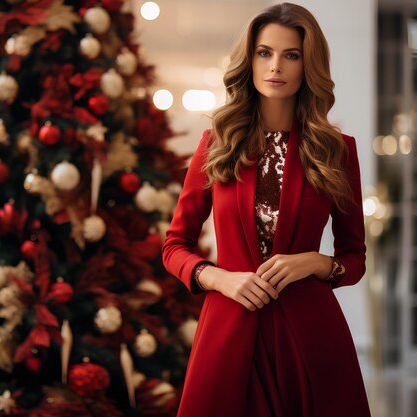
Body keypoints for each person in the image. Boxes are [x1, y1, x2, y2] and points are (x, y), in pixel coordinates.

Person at [161, 3, 371, 417]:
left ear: (307, 65)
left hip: (311, 335)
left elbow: (354, 258)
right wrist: (220, 278)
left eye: (290, 55)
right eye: (264, 53)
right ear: (250, 60)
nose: (276, 66)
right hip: (228, 328)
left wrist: (314, 263)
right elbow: (174, 246)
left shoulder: (337, 150)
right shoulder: (216, 144)